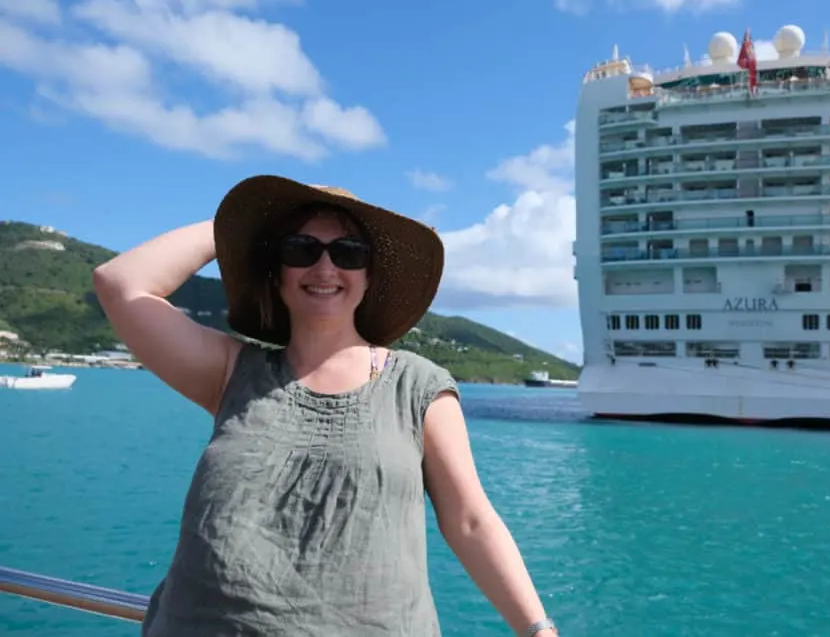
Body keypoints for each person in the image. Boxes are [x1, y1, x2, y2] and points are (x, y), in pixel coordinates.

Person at [93, 175, 559, 637]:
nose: (325, 268)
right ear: (275, 272)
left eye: (348, 253)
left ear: (369, 275)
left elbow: (470, 520)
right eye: (301, 250)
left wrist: (537, 630)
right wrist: (239, 227)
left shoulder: (417, 387)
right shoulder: (233, 372)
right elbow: (120, 282)